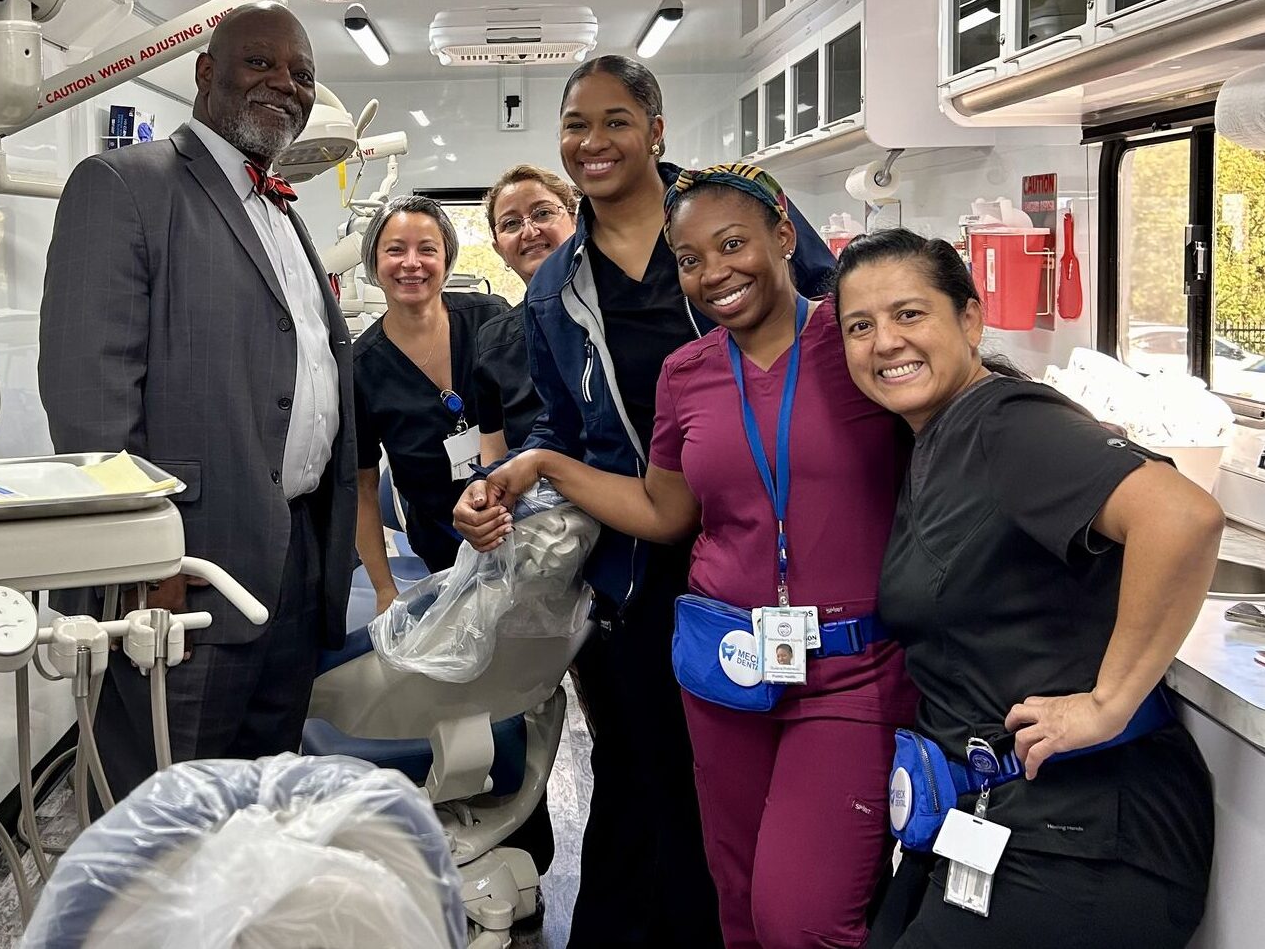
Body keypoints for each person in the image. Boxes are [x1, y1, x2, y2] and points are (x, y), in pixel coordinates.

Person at [481, 164, 917, 949]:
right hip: (727, 666)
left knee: (806, 916)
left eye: (733, 244)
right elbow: (662, 510)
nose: (714, 272)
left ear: (785, 237)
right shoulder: (688, 374)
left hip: (849, 670)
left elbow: (955, 405)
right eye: (690, 259)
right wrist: (541, 465)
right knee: (737, 899)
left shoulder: (856, 342)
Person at [456, 58, 836, 949]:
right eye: (575, 124)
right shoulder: (556, 289)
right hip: (639, 558)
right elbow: (561, 419)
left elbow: (834, 322)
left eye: (616, 120)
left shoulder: (730, 215)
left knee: (761, 776)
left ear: (657, 130)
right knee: (645, 773)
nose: (593, 142)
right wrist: (516, 478)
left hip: (781, 543)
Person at [832, 229, 1219, 949]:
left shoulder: (1008, 425)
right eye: (861, 325)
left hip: (1087, 830)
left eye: (909, 314)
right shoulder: (936, 439)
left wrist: (1106, 703)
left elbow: (1183, 517)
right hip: (998, 815)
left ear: (971, 321)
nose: (885, 341)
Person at [38, 2, 356, 805]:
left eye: (302, 75)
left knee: (254, 816)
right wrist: (143, 559)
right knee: (164, 818)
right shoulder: (125, 186)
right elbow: (89, 405)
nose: (285, 83)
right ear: (205, 73)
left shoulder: (282, 211)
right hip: (183, 574)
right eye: (261, 63)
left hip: (289, 565)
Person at [352, 195, 508, 613]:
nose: (411, 263)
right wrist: (384, 589)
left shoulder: (490, 319)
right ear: (374, 261)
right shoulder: (360, 367)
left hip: (517, 515)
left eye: (427, 249)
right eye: (395, 250)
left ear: (446, 258)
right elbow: (364, 487)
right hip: (441, 538)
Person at [473, 165, 579, 464]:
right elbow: (494, 454)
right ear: (498, 247)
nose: (530, 231)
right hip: (534, 504)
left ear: (575, 220)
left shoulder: (616, 312)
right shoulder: (493, 341)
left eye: (543, 213)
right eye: (510, 224)